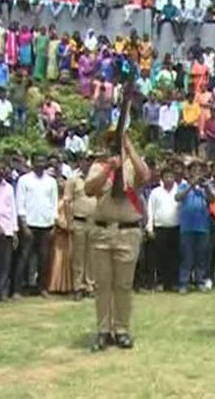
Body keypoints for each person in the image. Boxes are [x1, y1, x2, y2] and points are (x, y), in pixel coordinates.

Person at [84, 132, 150, 351]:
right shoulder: (98, 166)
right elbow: (89, 189)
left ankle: (121, 329)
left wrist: (130, 149)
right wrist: (108, 168)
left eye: (118, 140)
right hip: (102, 231)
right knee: (102, 284)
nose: (114, 144)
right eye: (111, 140)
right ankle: (103, 330)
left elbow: (145, 176)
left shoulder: (133, 164)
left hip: (127, 232)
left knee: (123, 285)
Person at [14, 154, 58, 297]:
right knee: (24, 257)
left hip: (46, 224)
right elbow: (20, 203)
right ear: (32, 163)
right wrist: (24, 225)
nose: (40, 163)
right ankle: (16, 289)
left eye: (42, 161)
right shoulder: (24, 180)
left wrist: (54, 225)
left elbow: (54, 204)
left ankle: (42, 288)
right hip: (29, 224)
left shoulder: (51, 182)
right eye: (37, 161)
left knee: (44, 258)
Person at [174, 160, 214, 293]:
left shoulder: (206, 186)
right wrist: (191, 185)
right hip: (187, 227)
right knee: (187, 257)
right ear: (189, 172)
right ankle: (184, 283)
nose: (197, 172)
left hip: (203, 227)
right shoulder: (184, 185)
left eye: (199, 170)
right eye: (194, 170)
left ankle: (200, 281)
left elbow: (213, 199)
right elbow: (178, 197)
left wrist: (206, 187)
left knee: (201, 256)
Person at [64, 153, 98, 301]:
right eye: (86, 160)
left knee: (92, 256)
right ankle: (78, 287)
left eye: (91, 160)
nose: (89, 163)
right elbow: (67, 201)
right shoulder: (73, 180)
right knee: (78, 256)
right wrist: (69, 221)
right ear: (80, 161)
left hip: (94, 222)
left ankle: (90, 285)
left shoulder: (97, 179)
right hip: (79, 221)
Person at [146, 166, 180, 291]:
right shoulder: (155, 192)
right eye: (166, 177)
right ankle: (161, 282)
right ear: (162, 178)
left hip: (176, 227)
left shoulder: (179, 190)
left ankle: (174, 283)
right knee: (161, 257)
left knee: (174, 257)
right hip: (160, 228)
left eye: (171, 177)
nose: (169, 179)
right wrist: (150, 228)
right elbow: (150, 210)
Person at [0, 159, 17, 303]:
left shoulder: (8, 187)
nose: (2, 171)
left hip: (7, 229)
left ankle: (2, 291)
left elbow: (12, 209)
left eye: (4, 169)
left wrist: (14, 230)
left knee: (6, 262)